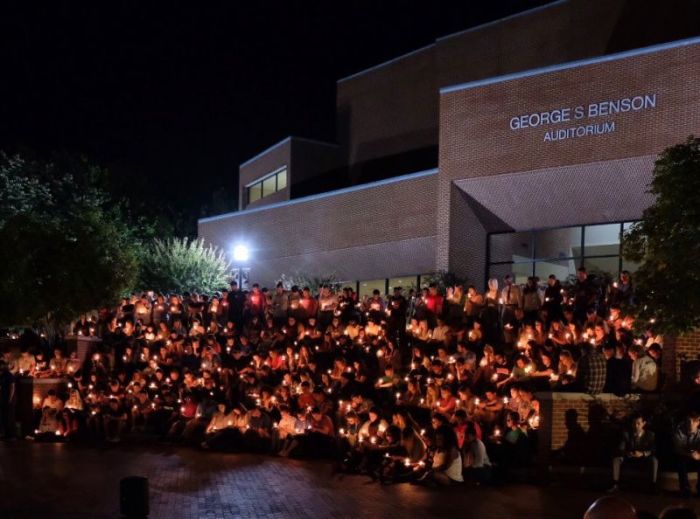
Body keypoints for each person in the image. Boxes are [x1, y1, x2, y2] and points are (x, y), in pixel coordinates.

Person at [607, 413, 657, 493]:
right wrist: (628, 453)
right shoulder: (626, 434)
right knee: (616, 460)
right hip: (629, 457)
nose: (636, 426)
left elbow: (653, 450)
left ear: (643, 424)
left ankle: (653, 486)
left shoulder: (650, 435)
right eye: (634, 423)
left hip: (643, 458)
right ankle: (615, 485)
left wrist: (642, 454)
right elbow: (621, 448)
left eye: (638, 423)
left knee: (654, 460)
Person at [674, 411, 700, 497]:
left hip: (697, 458)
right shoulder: (679, 432)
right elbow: (677, 449)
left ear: (698, 423)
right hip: (684, 457)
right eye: (688, 421)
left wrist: (699, 455)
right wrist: (690, 454)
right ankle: (685, 488)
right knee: (680, 461)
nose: (690, 424)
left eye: (693, 421)